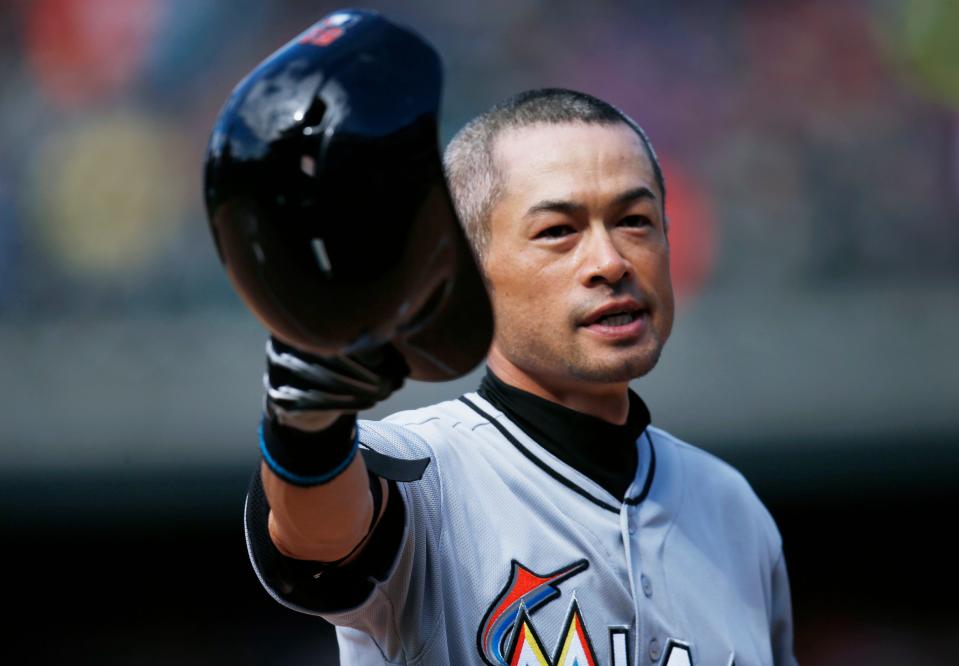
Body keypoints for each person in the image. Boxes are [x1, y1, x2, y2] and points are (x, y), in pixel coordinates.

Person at [244, 88, 797, 665]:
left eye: (635, 221)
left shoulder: (734, 510)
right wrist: (307, 429)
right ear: (467, 270)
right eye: (559, 230)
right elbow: (317, 536)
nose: (610, 262)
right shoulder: (425, 477)